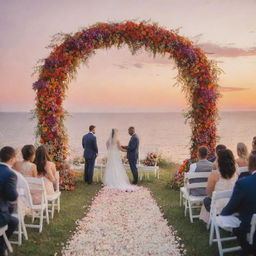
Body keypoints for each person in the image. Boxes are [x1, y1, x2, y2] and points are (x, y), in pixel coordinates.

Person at [220, 152, 256, 255]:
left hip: (250, 224)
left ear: (250, 165)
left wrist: (223, 212)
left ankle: (248, 250)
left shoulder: (243, 183)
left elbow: (230, 208)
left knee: (237, 227)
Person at [200, 149, 237, 223]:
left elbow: (209, 194)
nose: (215, 161)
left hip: (219, 208)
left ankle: (209, 222)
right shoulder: (235, 174)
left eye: (216, 159)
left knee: (206, 200)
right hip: (232, 205)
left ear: (220, 161)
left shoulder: (214, 175)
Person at [0, 146, 19, 256]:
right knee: (14, 221)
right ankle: (1, 246)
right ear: (12, 159)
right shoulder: (10, 173)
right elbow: (13, 197)